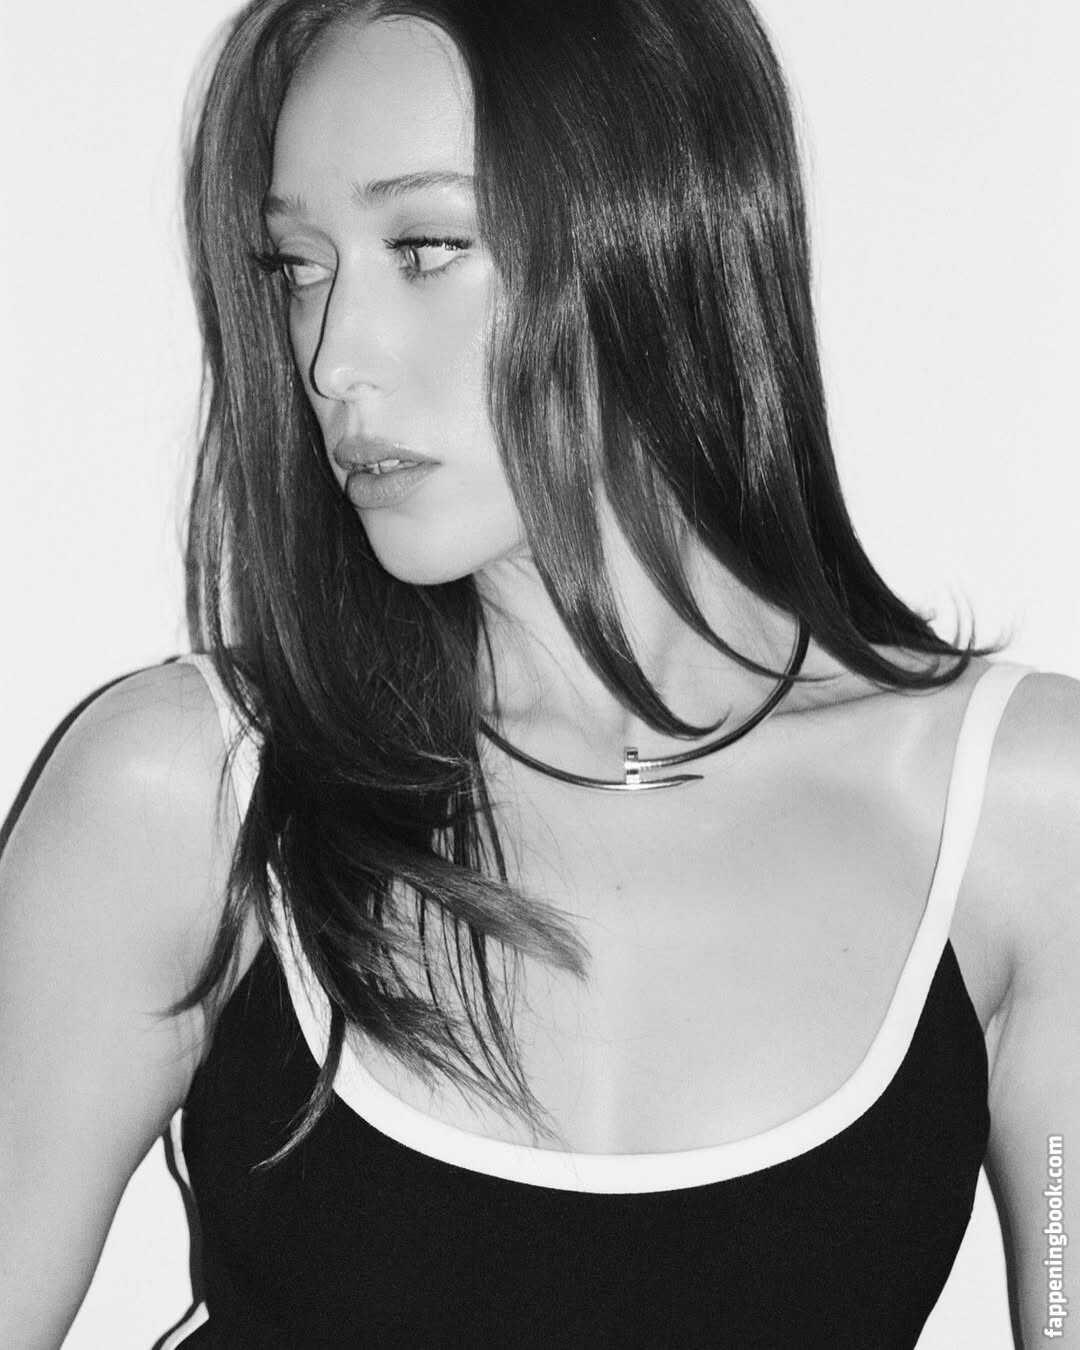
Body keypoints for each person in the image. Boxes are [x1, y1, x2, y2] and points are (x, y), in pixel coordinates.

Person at [0, 0, 1076, 1345]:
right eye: (297, 266)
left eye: (425, 248)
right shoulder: (189, 796)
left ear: (662, 232)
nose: (335, 359)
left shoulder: (1020, 819)